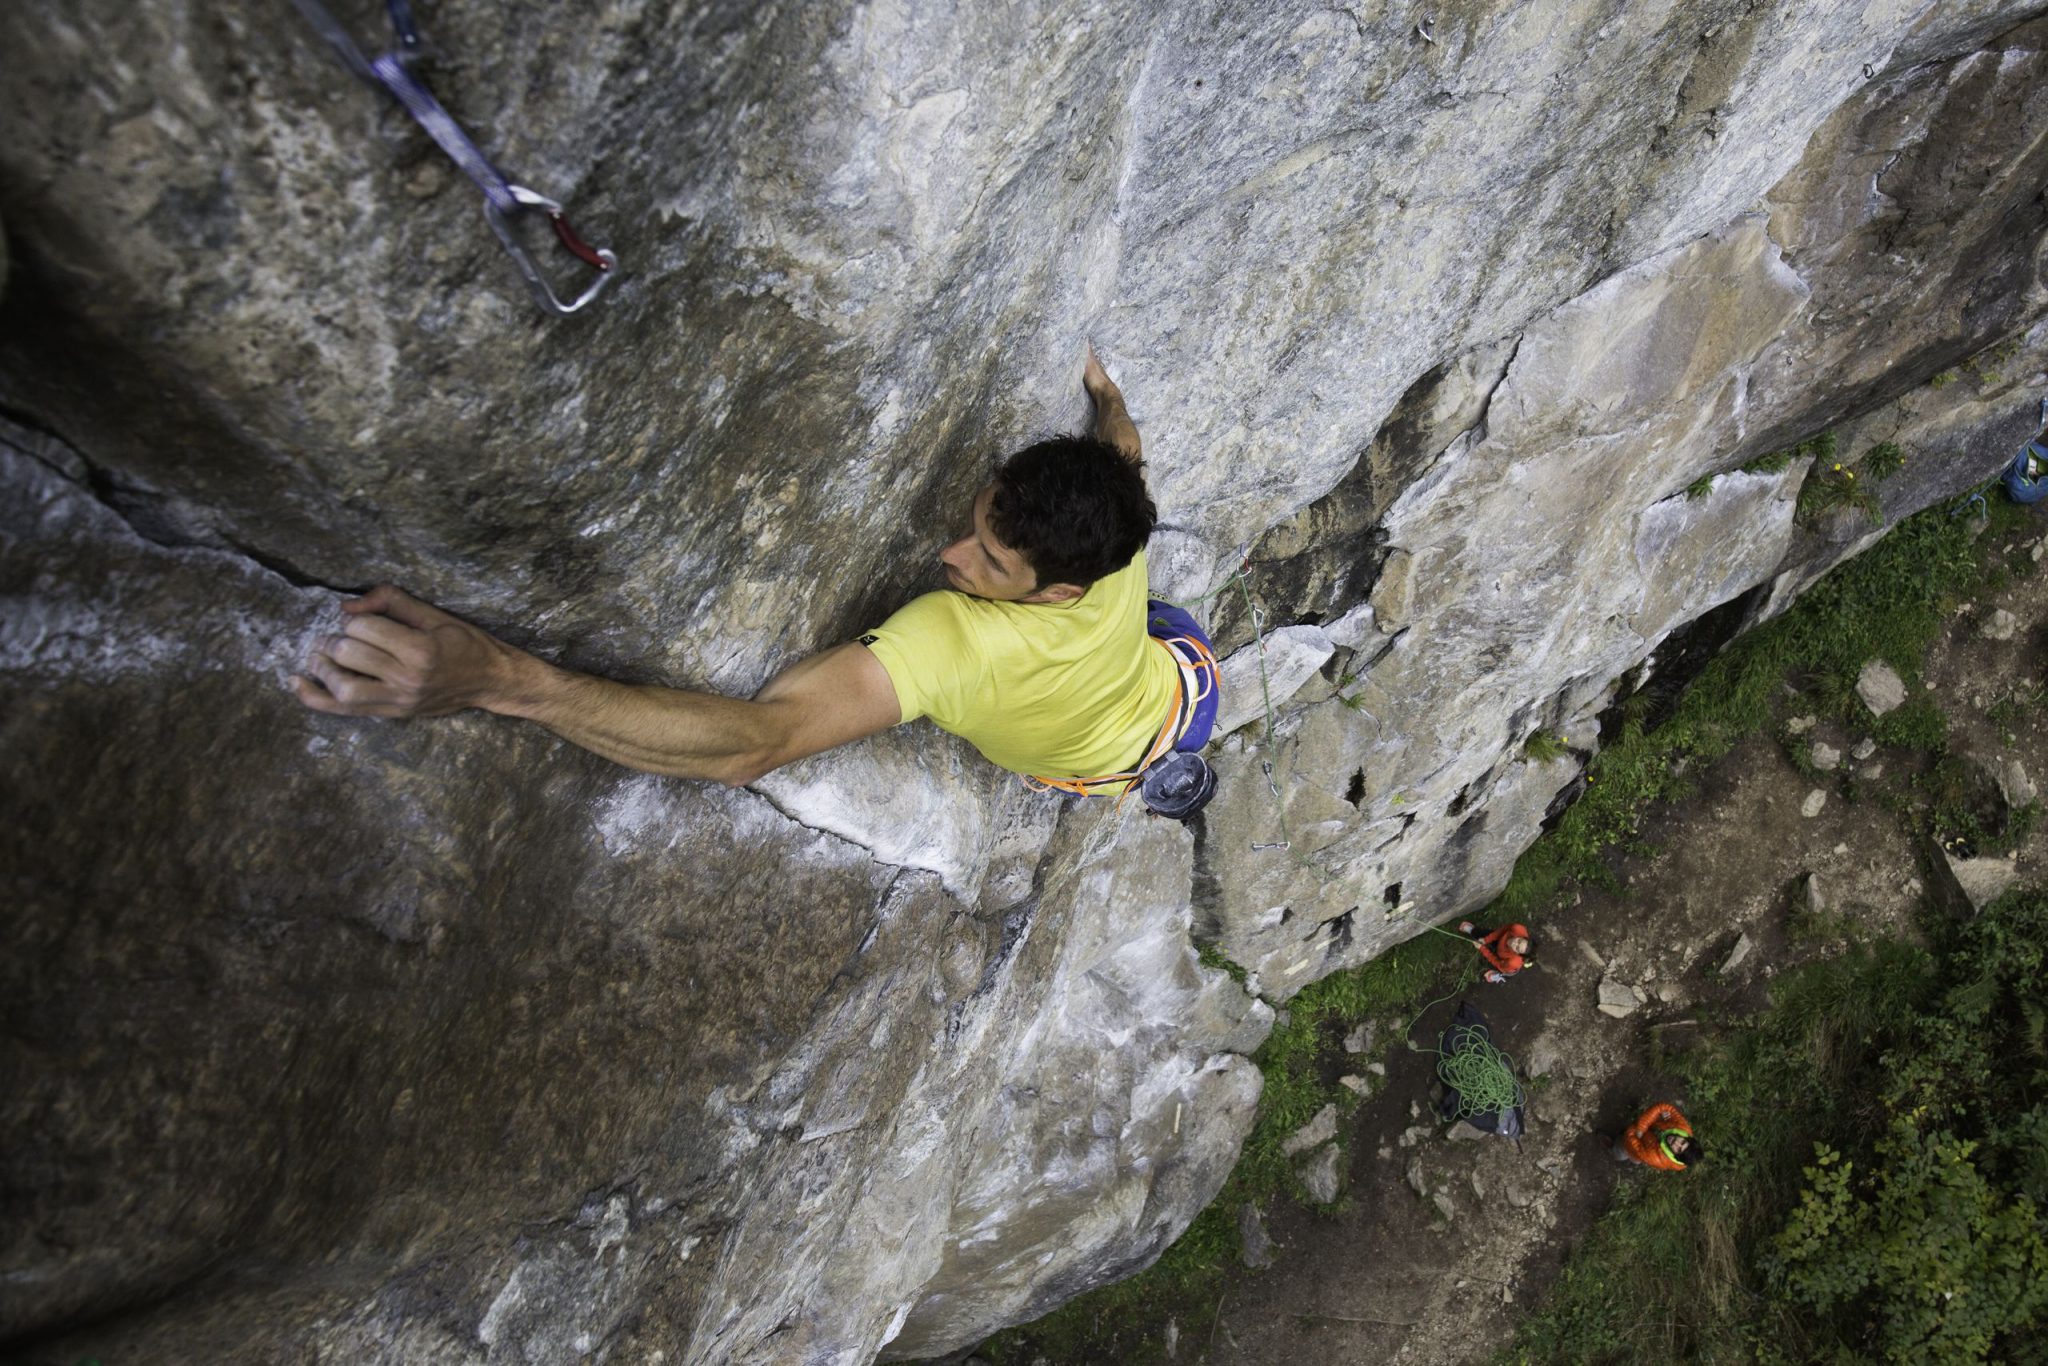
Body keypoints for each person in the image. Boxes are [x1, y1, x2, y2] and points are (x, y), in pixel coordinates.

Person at [292, 347, 1219, 814]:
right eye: (974, 524)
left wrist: (501, 680)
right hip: (1181, 685)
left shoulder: (955, 643)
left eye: (989, 563)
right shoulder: (1114, 537)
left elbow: (756, 744)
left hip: (1108, 760)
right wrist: (1108, 395)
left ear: (1057, 593)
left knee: (1136, 649)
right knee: (1145, 618)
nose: (951, 557)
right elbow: (1122, 449)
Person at [1603, 1101, 1704, 1171]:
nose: (1676, 1142)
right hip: (1647, 1133)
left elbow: (1630, 1141)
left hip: (1634, 1147)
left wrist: (1637, 1129)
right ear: (1687, 1138)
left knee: (1621, 1150)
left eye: (1678, 1149)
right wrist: (1643, 1126)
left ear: (1675, 1155)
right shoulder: (1684, 1129)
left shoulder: (1655, 1158)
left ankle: (1612, 1149)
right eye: (1683, 1142)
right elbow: (1664, 1107)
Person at [1457, 920, 1532, 983]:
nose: (1514, 943)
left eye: (1517, 948)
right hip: (1501, 942)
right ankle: (1473, 930)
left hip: (1504, 964)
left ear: (1518, 953)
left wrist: (1482, 949)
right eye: (1519, 941)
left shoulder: (1512, 962)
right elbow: (1501, 931)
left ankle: (1497, 975)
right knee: (1485, 934)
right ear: (1522, 937)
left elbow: (1496, 962)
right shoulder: (1517, 928)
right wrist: (1486, 939)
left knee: (1495, 966)